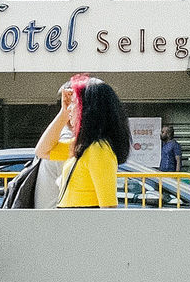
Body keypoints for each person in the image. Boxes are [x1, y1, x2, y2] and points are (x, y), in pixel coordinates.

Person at [34, 74, 131, 207]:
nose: (70, 109)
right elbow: (42, 151)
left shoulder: (98, 149)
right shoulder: (83, 145)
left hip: (82, 224)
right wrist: (62, 114)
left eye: (74, 103)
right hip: (74, 222)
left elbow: (108, 206)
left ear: (88, 110)